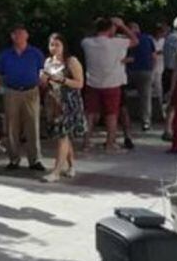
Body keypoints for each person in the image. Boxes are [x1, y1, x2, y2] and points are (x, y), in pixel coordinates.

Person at [81, 17, 139, 151]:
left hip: (93, 82)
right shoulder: (117, 43)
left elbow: (88, 35)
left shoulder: (87, 43)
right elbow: (135, 41)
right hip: (112, 83)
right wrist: (122, 26)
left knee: (90, 114)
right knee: (111, 114)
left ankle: (86, 142)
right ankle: (110, 143)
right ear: (110, 29)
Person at [0, 25, 46, 170]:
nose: (19, 37)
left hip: (31, 91)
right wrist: (5, 87)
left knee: (32, 126)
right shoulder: (6, 54)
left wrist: (42, 80)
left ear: (27, 36)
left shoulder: (35, 53)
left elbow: (43, 70)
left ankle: (35, 160)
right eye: (16, 35)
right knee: (12, 127)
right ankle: (14, 159)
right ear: (12, 37)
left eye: (22, 34)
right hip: (12, 92)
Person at [40, 34, 87, 183]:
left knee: (63, 135)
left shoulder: (71, 61)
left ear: (64, 46)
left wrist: (63, 80)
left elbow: (80, 83)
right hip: (54, 102)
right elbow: (44, 84)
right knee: (63, 136)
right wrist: (43, 78)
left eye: (57, 44)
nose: (54, 48)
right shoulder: (48, 61)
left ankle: (56, 171)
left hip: (70, 103)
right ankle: (71, 165)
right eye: (52, 45)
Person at [126, 22, 157, 130]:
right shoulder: (148, 39)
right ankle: (146, 121)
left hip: (130, 71)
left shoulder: (128, 40)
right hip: (146, 70)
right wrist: (152, 69)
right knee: (145, 97)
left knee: (123, 95)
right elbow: (154, 56)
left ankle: (125, 119)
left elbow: (128, 57)